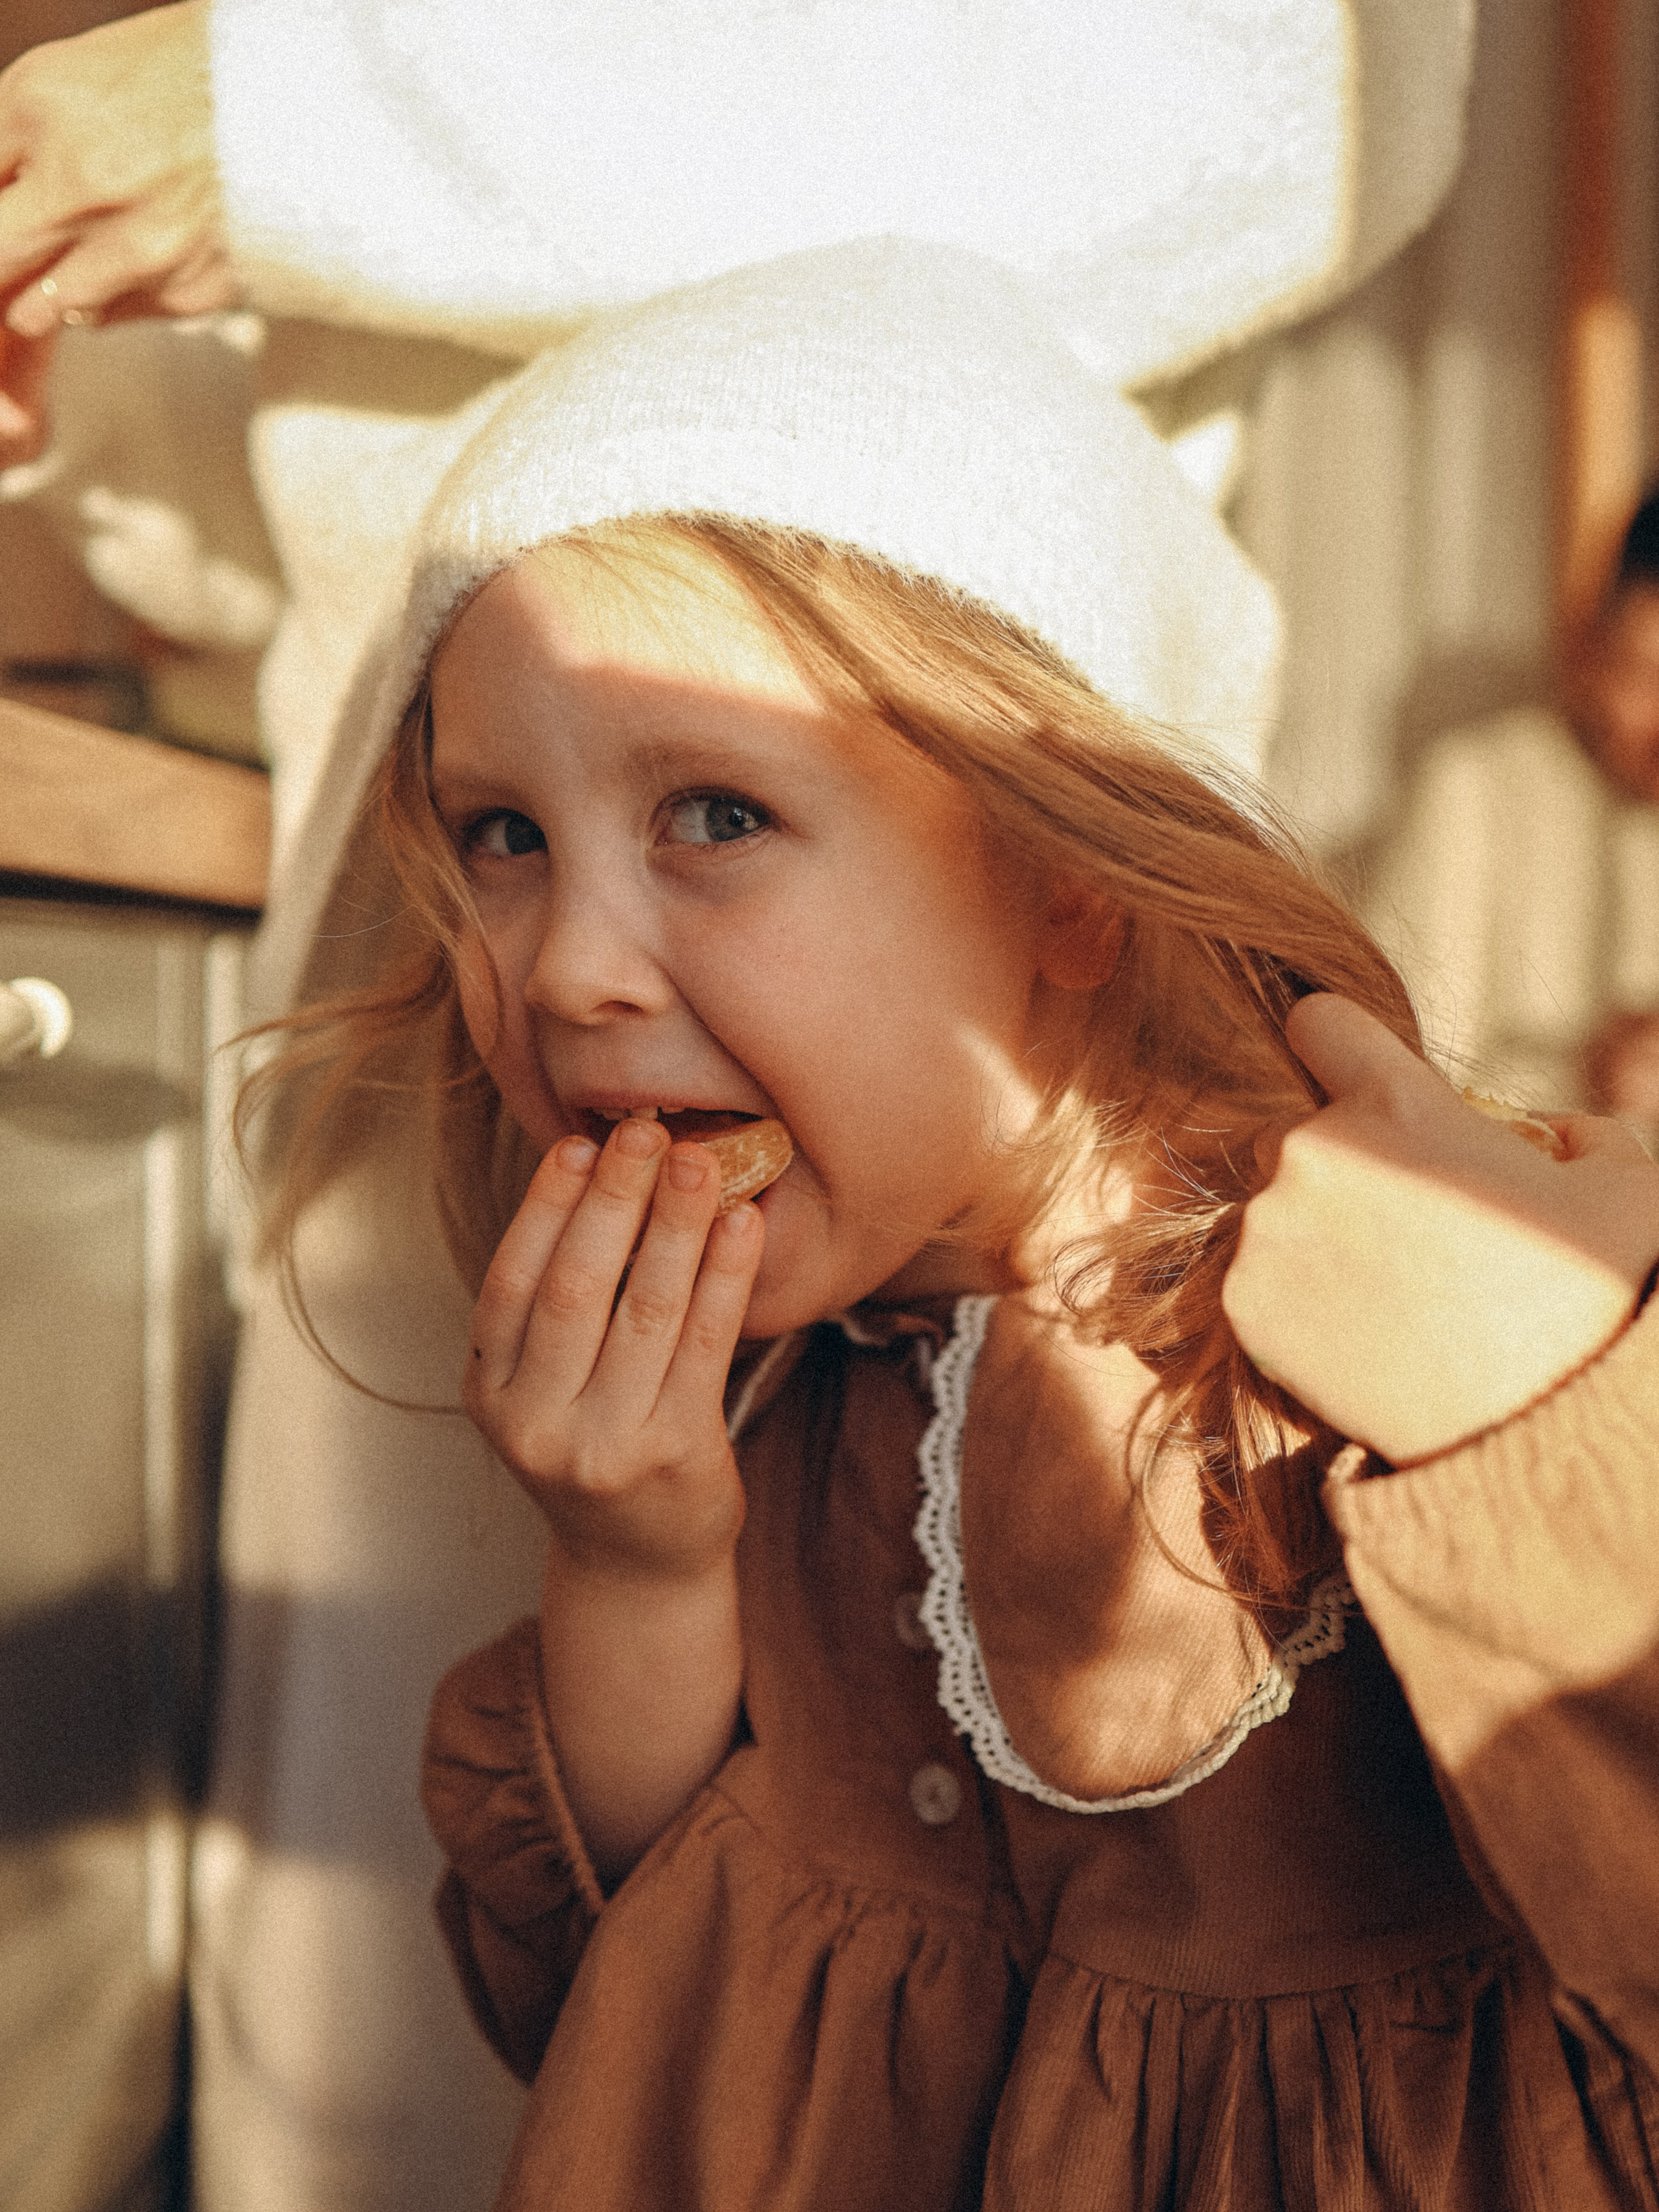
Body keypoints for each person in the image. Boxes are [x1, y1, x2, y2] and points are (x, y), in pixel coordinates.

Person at [240, 239, 1659, 2209]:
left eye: (713, 815)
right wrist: (637, 1575)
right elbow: (627, 2030)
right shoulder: (783, 1422)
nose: (562, 968)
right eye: (503, 835)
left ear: (1077, 875)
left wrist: (1541, 1414)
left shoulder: (1428, 1311)